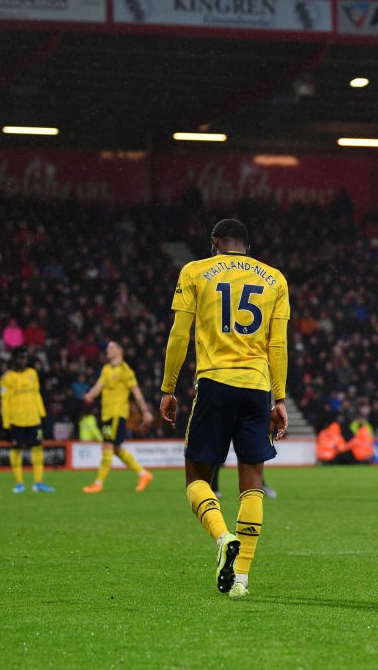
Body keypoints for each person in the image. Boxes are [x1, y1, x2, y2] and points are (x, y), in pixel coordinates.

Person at [159, 218, 290, 599]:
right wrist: (279, 398)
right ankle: (242, 579)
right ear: (248, 245)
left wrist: (168, 388)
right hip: (256, 388)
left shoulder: (196, 271)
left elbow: (179, 334)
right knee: (252, 484)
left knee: (195, 477)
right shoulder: (275, 279)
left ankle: (222, 536)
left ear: (215, 242)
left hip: (215, 383)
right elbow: (277, 345)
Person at [81, 341, 155, 493]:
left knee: (107, 446)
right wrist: (89, 395)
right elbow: (98, 387)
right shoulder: (106, 369)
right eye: (107, 348)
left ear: (120, 351)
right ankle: (143, 474)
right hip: (106, 414)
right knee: (116, 448)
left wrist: (144, 411)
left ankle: (98, 483)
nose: (108, 350)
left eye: (112, 347)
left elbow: (136, 392)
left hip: (117, 413)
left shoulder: (125, 370)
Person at [0, 347, 54, 493]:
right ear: (13, 359)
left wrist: (42, 415)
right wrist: (6, 426)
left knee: (38, 448)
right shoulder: (7, 378)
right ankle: (19, 484)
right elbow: (5, 403)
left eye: (24, 358)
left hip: (34, 419)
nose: (22, 361)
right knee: (16, 450)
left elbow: (37, 395)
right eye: (19, 358)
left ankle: (38, 483)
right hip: (16, 421)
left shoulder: (32, 373)